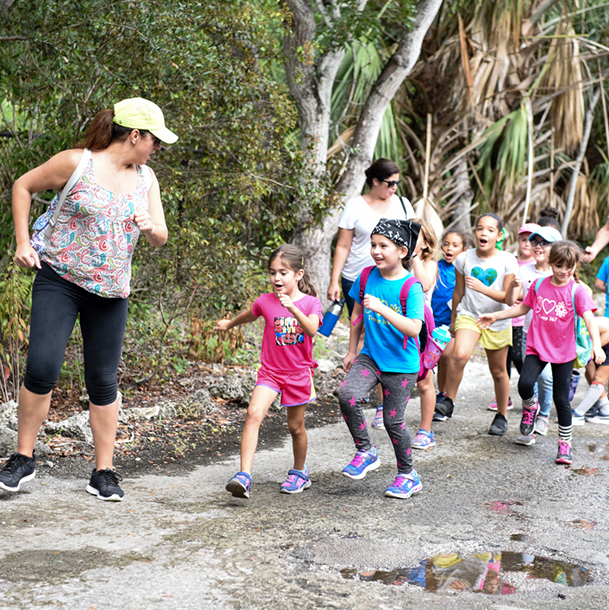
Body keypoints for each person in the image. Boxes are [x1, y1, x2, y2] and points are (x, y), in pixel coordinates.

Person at [0, 98, 175, 501]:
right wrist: (23, 242)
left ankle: (103, 471)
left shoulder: (147, 179)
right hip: (59, 279)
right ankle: (22, 458)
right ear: (135, 135)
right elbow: (22, 186)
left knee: (102, 380)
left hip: (111, 291)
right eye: (155, 141)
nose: (156, 150)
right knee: (42, 365)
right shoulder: (75, 163)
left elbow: (161, 235)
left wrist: (150, 228)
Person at [478, 241, 604, 465]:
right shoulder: (538, 285)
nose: (563, 271)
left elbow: (589, 319)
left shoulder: (576, 291)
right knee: (524, 385)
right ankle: (530, 408)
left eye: (569, 266)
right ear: (550, 263)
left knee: (561, 399)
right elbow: (522, 308)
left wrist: (596, 344)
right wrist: (495, 316)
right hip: (536, 346)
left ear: (575, 266)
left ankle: (564, 444)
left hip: (563, 351)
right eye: (558, 265)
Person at [216, 245, 322, 498]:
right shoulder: (264, 301)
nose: (276, 278)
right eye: (273, 272)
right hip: (271, 372)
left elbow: (311, 330)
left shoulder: (310, 302)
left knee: (296, 427)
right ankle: (244, 475)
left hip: (298, 374)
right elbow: (249, 315)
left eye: (283, 272)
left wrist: (293, 308)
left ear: (298, 274)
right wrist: (229, 324)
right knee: (253, 413)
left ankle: (299, 473)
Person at [338, 219, 424, 499]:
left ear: (401, 251)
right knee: (347, 395)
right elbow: (356, 316)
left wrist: (383, 309)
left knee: (392, 422)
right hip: (370, 357)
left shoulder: (411, 287)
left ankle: (408, 475)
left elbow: (414, 328)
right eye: (373, 244)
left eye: (383, 246)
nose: (375, 251)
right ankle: (365, 451)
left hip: (401, 366)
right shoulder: (365, 277)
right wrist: (352, 350)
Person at [327, 159, 415, 426]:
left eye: (397, 183)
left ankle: (383, 401)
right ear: (375, 181)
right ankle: (368, 391)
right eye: (390, 183)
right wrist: (334, 280)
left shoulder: (402, 204)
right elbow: (343, 245)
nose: (394, 188)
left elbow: (413, 242)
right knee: (367, 332)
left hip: (394, 282)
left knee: (383, 333)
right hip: (358, 277)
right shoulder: (355, 205)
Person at [434, 213, 518, 436]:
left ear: (499, 235)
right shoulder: (464, 259)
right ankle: (449, 400)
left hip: (497, 319)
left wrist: (482, 288)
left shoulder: (507, 260)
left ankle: (501, 415)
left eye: (490, 230)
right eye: (480, 228)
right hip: (469, 314)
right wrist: (453, 320)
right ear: (475, 233)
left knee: (499, 371)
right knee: (459, 354)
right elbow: (459, 291)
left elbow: (509, 300)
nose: (484, 233)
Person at [505, 226, 562, 441]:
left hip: (555, 338)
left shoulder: (559, 272)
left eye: (544, 243)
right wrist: (512, 286)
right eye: (535, 242)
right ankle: (532, 413)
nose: (537, 247)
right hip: (531, 335)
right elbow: (512, 301)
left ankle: (543, 415)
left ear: (556, 248)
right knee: (532, 378)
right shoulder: (524, 271)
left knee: (546, 379)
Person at [486, 223, 538, 412]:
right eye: (523, 239)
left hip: (522, 321)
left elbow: (533, 295)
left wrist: (515, 294)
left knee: (519, 357)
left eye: (531, 241)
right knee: (503, 359)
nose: (527, 244)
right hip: (504, 317)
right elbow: (503, 287)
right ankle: (504, 396)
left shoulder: (537, 266)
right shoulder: (511, 261)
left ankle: (530, 394)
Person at [408, 219, 440, 450]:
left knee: (424, 379)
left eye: (414, 236)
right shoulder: (393, 262)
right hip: (396, 324)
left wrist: (413, 257)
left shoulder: (429, 263)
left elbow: (426, 284)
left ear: (426, 244)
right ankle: (384, 411)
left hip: (421, 325)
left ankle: (426, 430)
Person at [432, 229, 469, 403]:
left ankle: (446, 396)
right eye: (446, 244)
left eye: (455, 245)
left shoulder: (464, 270)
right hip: (434, 320)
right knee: (440, 360)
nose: (449, 248)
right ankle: (441, 393)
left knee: (446, 356)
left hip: (454, 322)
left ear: (463, 249)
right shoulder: (435, 267)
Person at [572, 316, 609, 425]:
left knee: (599, 378)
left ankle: (578, 414)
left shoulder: (585, 324)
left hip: (604, 341)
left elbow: (607, 332)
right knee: (589, 372)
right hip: (602, 345)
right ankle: (604, 408)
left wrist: (592, 350)